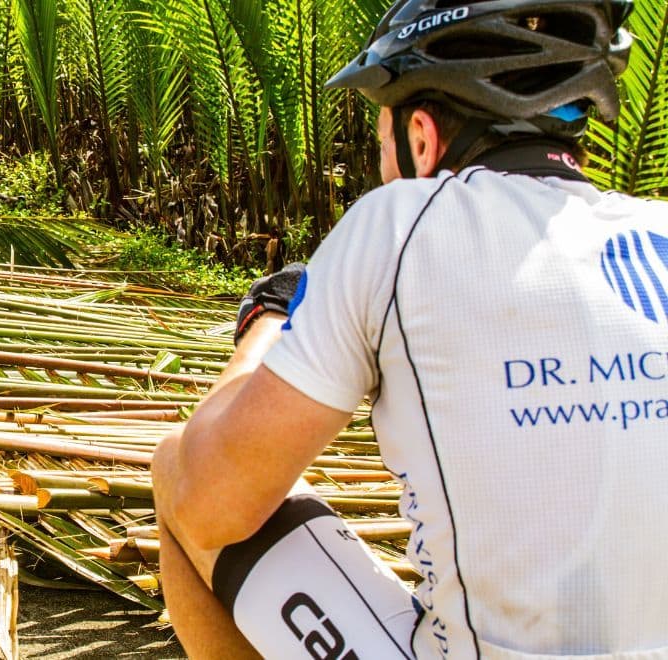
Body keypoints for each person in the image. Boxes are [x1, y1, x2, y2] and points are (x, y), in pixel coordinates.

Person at [152, 0, 668, 657]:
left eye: (381, 142)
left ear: (420, 137)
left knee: (179, 469)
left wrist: (269, 322)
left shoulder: (399, 224)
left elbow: (213, 502)